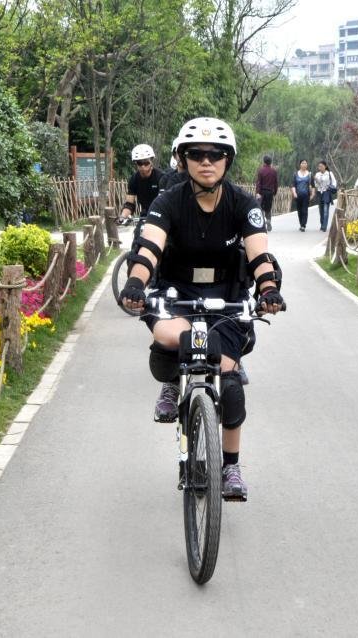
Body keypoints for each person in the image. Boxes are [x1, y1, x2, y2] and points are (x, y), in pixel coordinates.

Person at [119, 117, 284, 500]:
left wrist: (269, 288)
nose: (206, 161)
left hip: (226, 297)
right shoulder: (168, 200)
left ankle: (230, 467)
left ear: (227, 160)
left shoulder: (244, 204)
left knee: (228, 378)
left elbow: (259, 254)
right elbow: (149, 248)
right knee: (169, 337)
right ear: (183, 159)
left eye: (216, 154)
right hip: (176, 294)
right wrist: (135, 282)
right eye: (197, 154)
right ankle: (172, 380)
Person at [120, 144, 163, 232]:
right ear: (136, 163)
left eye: (146, 163)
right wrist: (123, 216)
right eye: (140, 163)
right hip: (145, 214)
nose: (143, 166)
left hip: (162, 214)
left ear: (151, 161)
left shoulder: (161, 177)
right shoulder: (134, 179)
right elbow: (129, 204)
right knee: (137, 238)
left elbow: (167, 201)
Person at [254, 155, 279, 231]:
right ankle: (268, 220)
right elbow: (276, 183)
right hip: (270, 192)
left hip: (262, 192)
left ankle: (262, 223)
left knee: (260, 207)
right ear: (270, 162)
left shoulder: (261, 171)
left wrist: (258, 192)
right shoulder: (274, 171)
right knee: (268, 208)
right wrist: (274, 192)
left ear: (264, 162)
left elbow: (259, 183)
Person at [311, 161, 337, 232]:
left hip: (327, 192)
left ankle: (324, 226)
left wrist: (331, 188)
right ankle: (322, 224)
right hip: (319, 192)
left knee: (326, 210)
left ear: (325, 166)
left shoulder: (329, 173)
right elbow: (316, 185)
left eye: (321, 166)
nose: (320, 167)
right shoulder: (317, 174)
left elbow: (334, 182)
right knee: (321, 210)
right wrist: (316, 180)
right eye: (319, 166)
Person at [291, 159, 313, 232]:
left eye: (305, 163)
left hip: (306, 195)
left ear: (307, 165)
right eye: (303, 163)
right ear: (300, 164)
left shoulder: (309, 174)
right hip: (298, 195)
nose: (304, 164)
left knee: (304, 210)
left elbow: (312, 186)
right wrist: (294, 193)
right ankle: (301, 224)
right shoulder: (295, 174)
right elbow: (293, 185)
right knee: (299, 210)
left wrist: (312, 194)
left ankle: (303, 225)